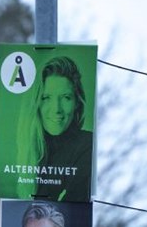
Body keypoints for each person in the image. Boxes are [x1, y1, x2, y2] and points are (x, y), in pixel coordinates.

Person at [15, 55, 92, 201]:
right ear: (36, 103)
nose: (56, 109)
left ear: (77, 102)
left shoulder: (87, 145)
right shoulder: (30, 150)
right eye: (46, 98)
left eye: (66, 97)